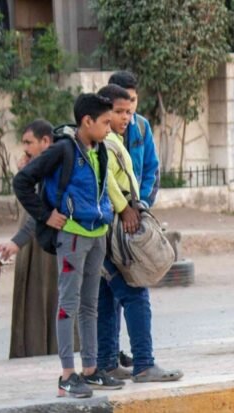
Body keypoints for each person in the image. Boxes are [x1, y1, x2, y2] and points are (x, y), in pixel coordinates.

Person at [13, 93, 123, 398]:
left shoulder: (99, 149)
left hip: (96, 233)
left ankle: (90, 370)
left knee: (90, 304)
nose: (109, 127)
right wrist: (46, 215)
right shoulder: (63, 150)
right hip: (71, 237)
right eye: (104, 122)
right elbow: (22, 182)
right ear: (86, 121)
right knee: (68, 304)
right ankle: (66, 375)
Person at [95, 84, 183, 384]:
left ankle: (107, 362)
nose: (125, 118)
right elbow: (105, 181)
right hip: (114, 230)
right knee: (135, 293)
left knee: (107, 296)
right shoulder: (104, 141)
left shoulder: (116, 138)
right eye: (118, 112)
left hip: (109, 230)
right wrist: (125, 208)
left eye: (128, 112)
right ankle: (144, 363)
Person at [0, 120, 64, 358]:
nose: (25, 147)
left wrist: (16, 242)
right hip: (31, 244)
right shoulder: (36, 167)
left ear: (46, 141)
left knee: (43, 299)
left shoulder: (53, 167)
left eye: (29, 142)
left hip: (43, 246)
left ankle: (44, 352)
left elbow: (39, 213)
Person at [107, 71, 159, 206]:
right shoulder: (99, 130)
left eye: (132, 100)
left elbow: (151, 168)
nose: (129, 106)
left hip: (137, 205)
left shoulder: (142, 126)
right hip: (109, 208)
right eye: (122, 103)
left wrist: (143, 203)